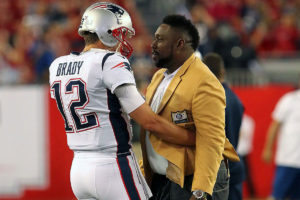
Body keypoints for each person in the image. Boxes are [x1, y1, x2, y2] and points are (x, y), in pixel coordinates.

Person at [49, 3, 195, 200]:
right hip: (112, 165)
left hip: (78, 170)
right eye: (120, 33)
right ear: (106, 32)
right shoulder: (109, 62)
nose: (123, 40)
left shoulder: (58, 65)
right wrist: (191, 138)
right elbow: (149, 121)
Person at [140, 15, 240, 200]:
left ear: (179, 44)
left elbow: (211, 139)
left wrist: (201, 190)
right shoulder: (159, 76)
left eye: (160, 39)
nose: (153, 44)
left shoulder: (204, 81)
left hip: (194, 179)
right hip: (166, 178)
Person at [202, 53, 245, 200]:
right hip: (233, 164)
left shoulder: (211, 99)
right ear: (223, 71)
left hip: (217, 169)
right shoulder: (235, 99)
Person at [262, 78, 300, 200]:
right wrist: (268, 149)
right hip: (288, 159)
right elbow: (275, 125)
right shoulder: (289, 100)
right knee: (277, 195)